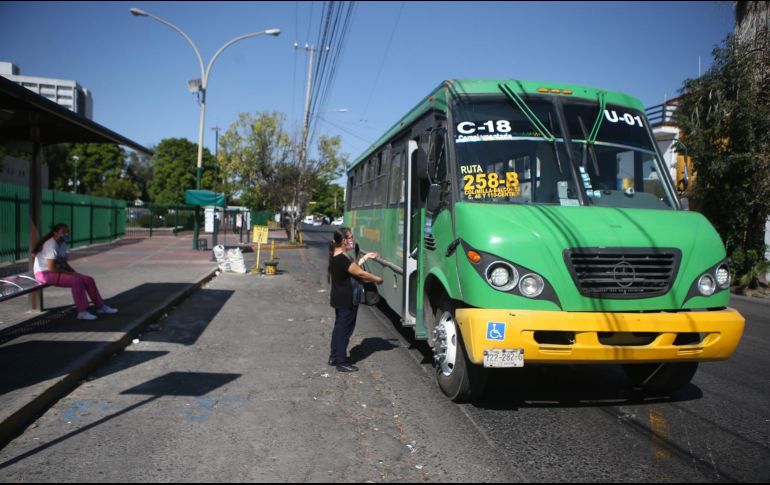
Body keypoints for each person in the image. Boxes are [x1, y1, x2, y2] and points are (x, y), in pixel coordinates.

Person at [32, 223, 118, 321]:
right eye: (63, 232)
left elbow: (63, 263)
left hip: (54, 271)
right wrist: (72, 274)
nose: (66, 234)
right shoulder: (51, 244)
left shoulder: (63, 244)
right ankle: (82, 312)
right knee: (76, 280)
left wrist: (74, 272)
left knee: (88, 280)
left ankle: (101, 307)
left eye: (67, 232)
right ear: (55, 233)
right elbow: (52, 268)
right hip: (44, 273)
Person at [328, 227, 383, 372]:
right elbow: (360, 273)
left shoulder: (337, 254)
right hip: (347, 299)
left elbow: (353, 268)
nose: (353, 240)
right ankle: (341, 362)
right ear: (344, 241)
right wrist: (377, 279)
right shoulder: (342, 258)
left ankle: (334, 357)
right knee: (344, 331)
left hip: (339, 297)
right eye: (351, 237)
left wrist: (366, 257)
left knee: (339, 328)